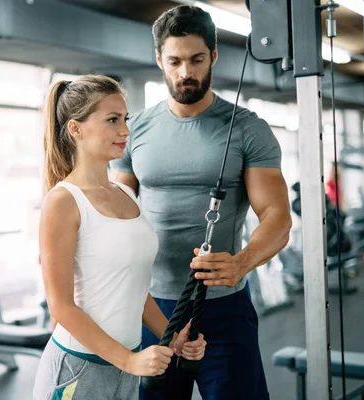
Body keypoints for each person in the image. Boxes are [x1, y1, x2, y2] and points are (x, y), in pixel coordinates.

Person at [110, 6, 292, 400]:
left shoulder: (247, 128)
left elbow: (277, 217)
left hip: (223, 308)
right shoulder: (134, 129)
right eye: (174, 61)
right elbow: (117, 212)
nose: (185, 73)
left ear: (213, 55)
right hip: (151, 306)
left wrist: (240, 262)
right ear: (159, 59)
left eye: (196, 59)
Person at [32, 75, 207, 400]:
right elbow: (61, 307)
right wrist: (129, 359)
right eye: (112, 120)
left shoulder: (127, 193)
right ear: (76, 129)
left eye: (125, 119)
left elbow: (135, 289)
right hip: (77, 367)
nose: (125, 130)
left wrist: (173, 339)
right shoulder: (63, 201)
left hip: (125, 366)